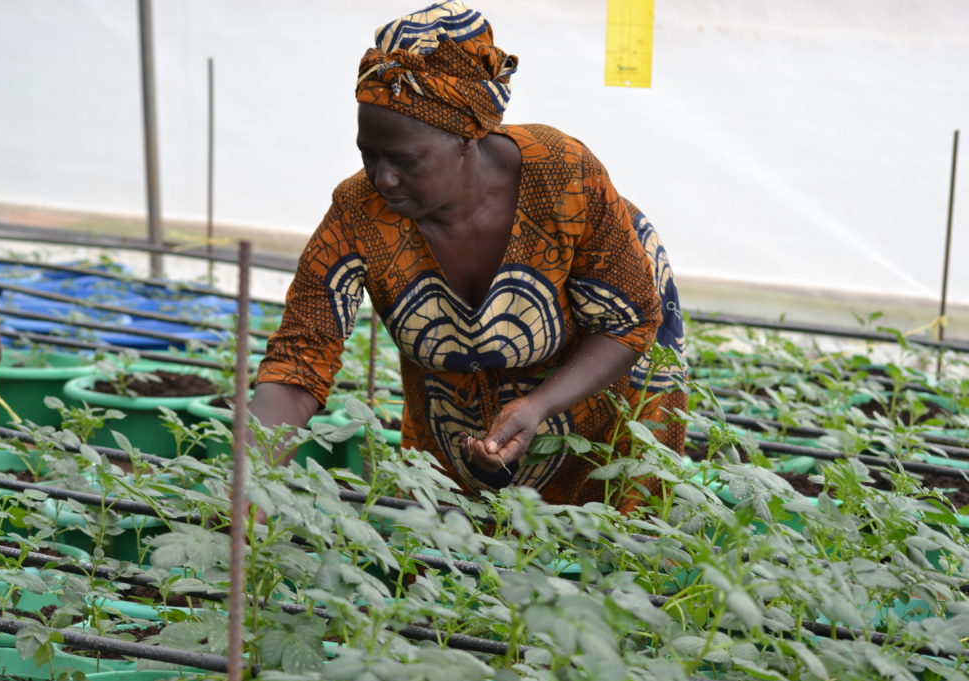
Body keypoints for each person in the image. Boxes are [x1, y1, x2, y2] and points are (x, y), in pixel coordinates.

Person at [251, 0, 687, 512]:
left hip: (599, 381)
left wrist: (540, 405)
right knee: (453, 545)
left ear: (467, 137)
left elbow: (626, 321)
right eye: (369, 154)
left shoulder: (561, 175)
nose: (383, 177)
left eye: (406, 160)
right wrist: (252, 475)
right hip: (453, 404)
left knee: (602, 530)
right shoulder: (358, 212)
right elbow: (300, 360)